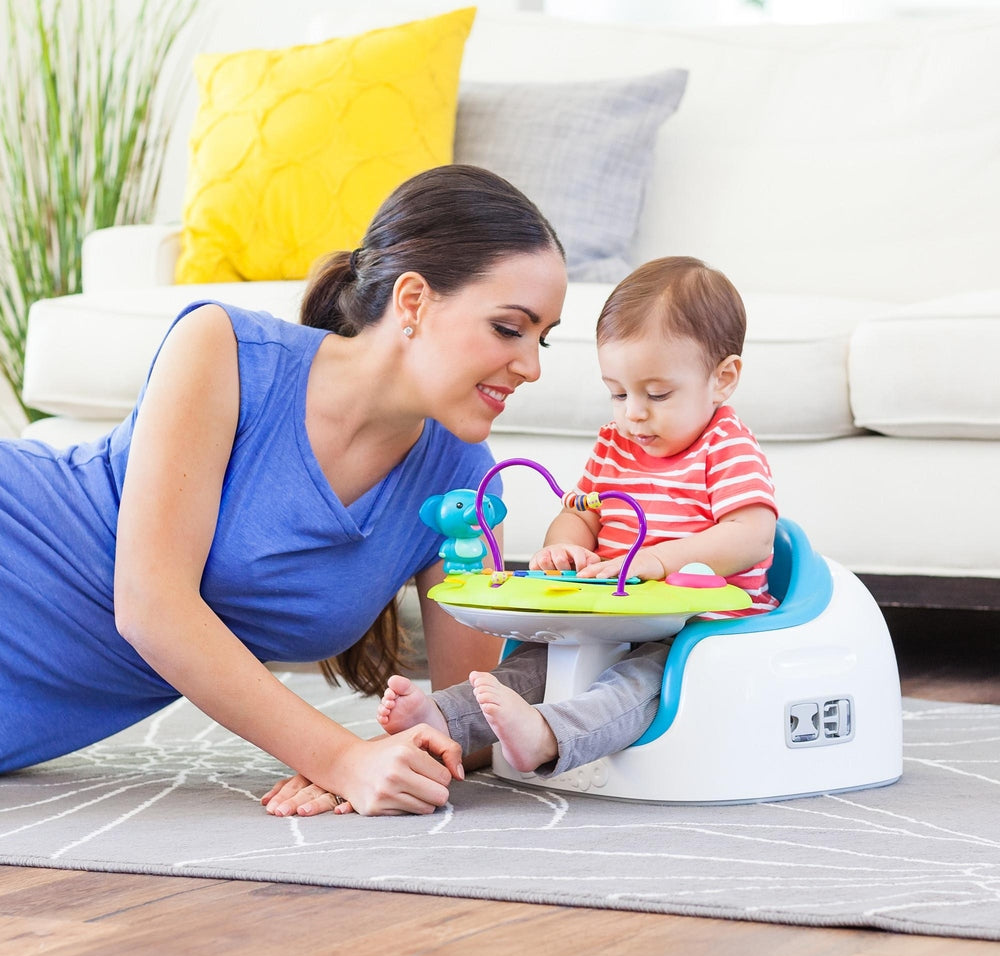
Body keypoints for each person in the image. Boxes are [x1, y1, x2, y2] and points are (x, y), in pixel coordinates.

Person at [0, 164, 567, 816]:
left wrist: (402, 755)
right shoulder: (224, 348)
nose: (531, 366)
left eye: (542, 338)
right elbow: (149, 604)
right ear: (412, 302)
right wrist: (337, 757)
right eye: (508, 328)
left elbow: (470, 714)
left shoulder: (465, 483)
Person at [377, 256, 779, 778]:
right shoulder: (615, 445)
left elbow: (751, 535)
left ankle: (548, 737)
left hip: (696, 629)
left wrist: (655, 562)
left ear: (722, 379)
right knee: (535, 663)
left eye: (657, 394)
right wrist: (563, 546)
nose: (633, 412)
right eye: (618, 392)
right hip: (613, 616)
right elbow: (579, 515)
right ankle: (445, 716)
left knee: (640, 679)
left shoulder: (725, 447)